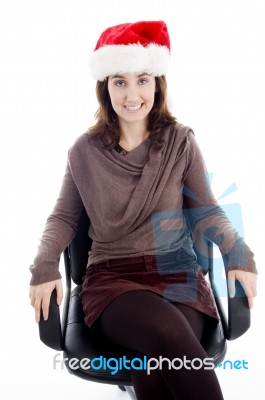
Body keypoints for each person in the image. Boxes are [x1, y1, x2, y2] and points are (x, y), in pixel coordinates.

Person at [29, 21, 257, 400]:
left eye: (143, 80)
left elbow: (207, 211)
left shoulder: (180, 143)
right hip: (113, 278)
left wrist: (238, 251)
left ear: (157, 84)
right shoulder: (83, 152)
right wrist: (44, 263)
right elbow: (64, 218)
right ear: (105, 88)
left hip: (176, 272)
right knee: (166, 337)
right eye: (119, 81)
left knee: (155, 367)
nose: (132, 94)